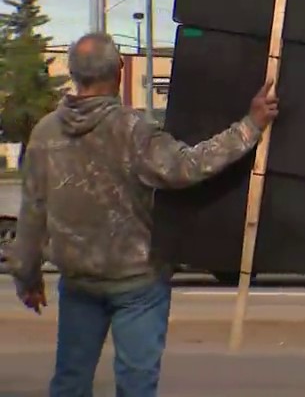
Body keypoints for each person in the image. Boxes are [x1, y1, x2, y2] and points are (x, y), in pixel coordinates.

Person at [9, 33, 279, 397]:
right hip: (137, 282)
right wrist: (250, 125)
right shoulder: (133, 131)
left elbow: (32, 214)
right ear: (119, 71)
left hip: (78, 281)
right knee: (136, 385)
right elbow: (190, 167)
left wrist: (27, 278)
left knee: (70, 382)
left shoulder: (44, 134)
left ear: (73, 73)